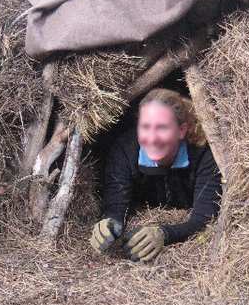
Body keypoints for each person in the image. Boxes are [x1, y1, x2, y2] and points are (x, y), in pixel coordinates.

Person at [89, 88, 222, 261]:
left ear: (182, 131)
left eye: (162, 127)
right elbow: (116, 204)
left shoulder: (204, 155)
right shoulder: (125, 150)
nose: (152, 138)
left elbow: (204, 218)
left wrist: (165, 234)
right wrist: (110, 221)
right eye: (145, 127)